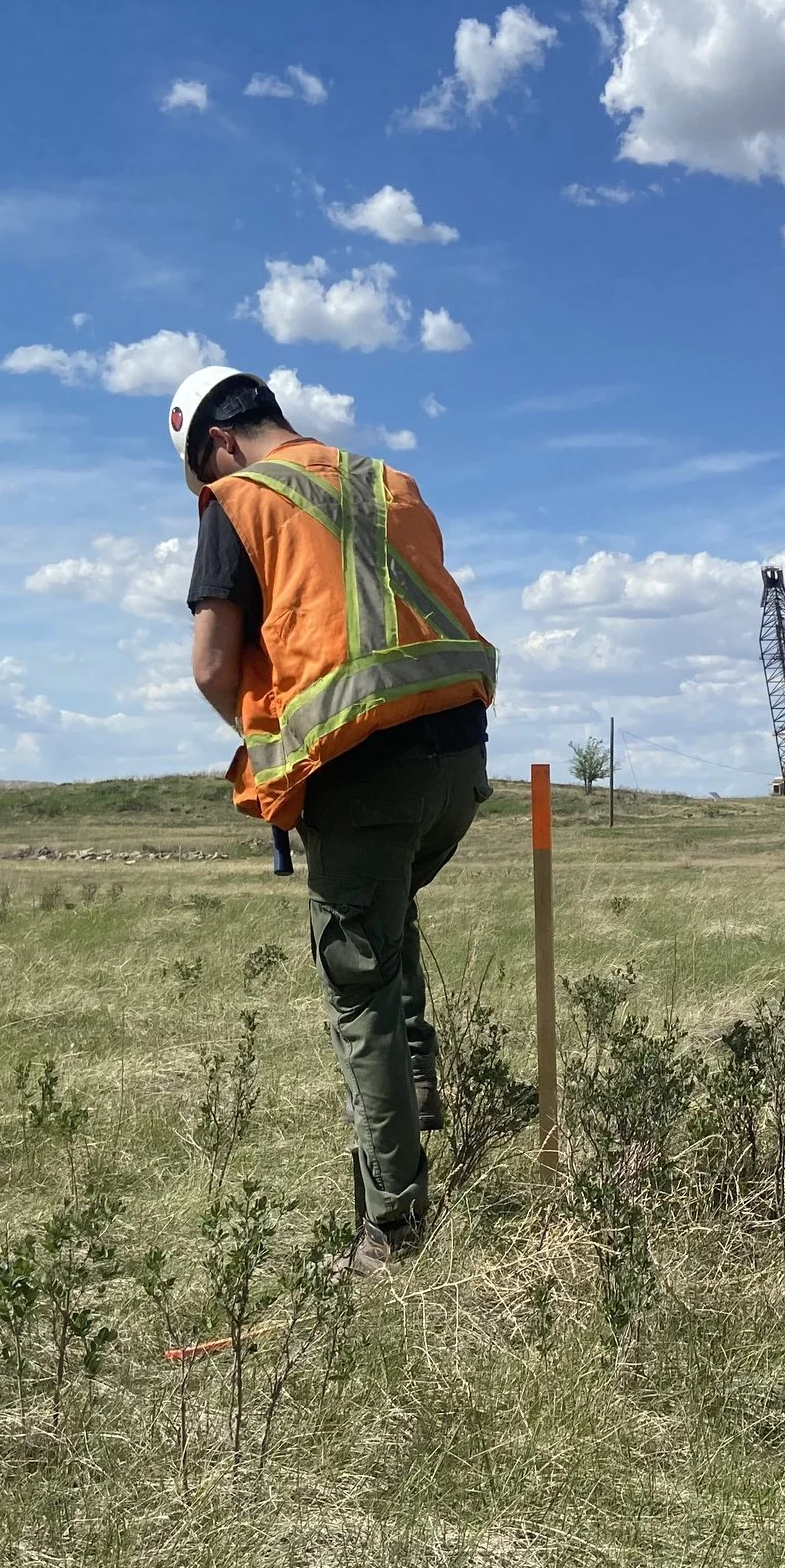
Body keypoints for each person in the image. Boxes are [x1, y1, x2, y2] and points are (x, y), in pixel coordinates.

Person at [170, 366, 498, 1277]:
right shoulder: (384, 480)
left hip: (363, 772)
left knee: (357, 984)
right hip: (461, 761)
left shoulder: (236, 499)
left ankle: (392, 1231)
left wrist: (273, 738)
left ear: (218, 445)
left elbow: (210, 667)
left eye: (203, 470)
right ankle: (420, 1087)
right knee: (389, 912)